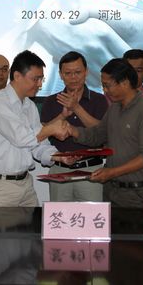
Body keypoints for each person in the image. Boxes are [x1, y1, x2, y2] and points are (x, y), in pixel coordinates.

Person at [60, 58, 143, 208]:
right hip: (112, 190)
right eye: (103, 86)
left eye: (107, 86)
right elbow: (98, 135)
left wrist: (112, 172)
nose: (105, 90)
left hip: (137, 193)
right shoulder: (114, 108)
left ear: (125, 83)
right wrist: (72, 131)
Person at [0, 50, 72, 207]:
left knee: (34, 223)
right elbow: (21, 138)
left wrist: (60, 157)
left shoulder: (29, 106)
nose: (40, 84)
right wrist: (52, 128)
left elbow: (38, 144)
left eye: (42, 79)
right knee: (1, 225)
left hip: (26, 183)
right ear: (17, 76)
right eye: (35, 79)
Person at [40, 51, 109, 202]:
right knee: (58, 215)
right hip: (59, 169)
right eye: (68, 73)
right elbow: (42, 134)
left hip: (91, 169)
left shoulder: (99, 100)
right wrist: (63, 115)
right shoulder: (51, 101)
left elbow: (103, 132)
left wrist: (76, 107)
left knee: (92, 215)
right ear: (60, 75)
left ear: (86, 72)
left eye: (77, 72)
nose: (73, 77)